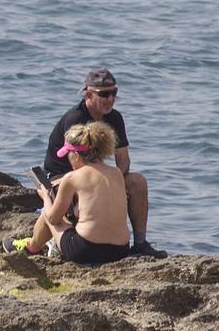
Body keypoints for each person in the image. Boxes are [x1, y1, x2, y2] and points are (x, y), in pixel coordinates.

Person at [38, 68, 164, 258]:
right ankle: (46, 242)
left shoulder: (115, 118)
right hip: (62, 175)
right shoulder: (76, 119)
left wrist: (114, 183)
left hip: (94, 172)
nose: (111, 99)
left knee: (137, 182)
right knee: (79, 190)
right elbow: (76, 163)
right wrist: (102, 183)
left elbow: (123, 160)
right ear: (89, 94)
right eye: (105, 94)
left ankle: (140, 243)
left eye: (115, 93)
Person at [17, 122, 132, 265]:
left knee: (48, 214)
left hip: (86, 250)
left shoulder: (72, 177)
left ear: (76, 155)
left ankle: (31, 248)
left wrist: (46, 196)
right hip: (121, 251)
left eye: (68, 155)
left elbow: (52, 218)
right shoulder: (116, 173)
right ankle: (38, 246)